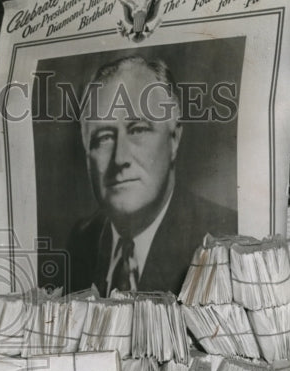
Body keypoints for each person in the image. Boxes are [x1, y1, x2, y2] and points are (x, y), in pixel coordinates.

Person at [66, 54, 236, 296]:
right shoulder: (81, 241)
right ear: (86, 154)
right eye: (104, 138)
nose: (120, 159)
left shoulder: (222, 239)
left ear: (174, 138)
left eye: (138, 130)